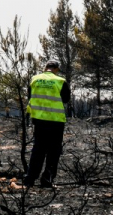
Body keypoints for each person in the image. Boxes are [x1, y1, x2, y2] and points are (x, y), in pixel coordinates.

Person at [23, 60, 70, 189]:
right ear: (56, 69)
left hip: (39, 121)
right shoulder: (60, 81)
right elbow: (66, 99)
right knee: (53, 152)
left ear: (45, 68)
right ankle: (47, 179)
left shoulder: (35, 79)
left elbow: (30, 96)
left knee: (38, 150)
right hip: (56, 121)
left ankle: (29, 179)